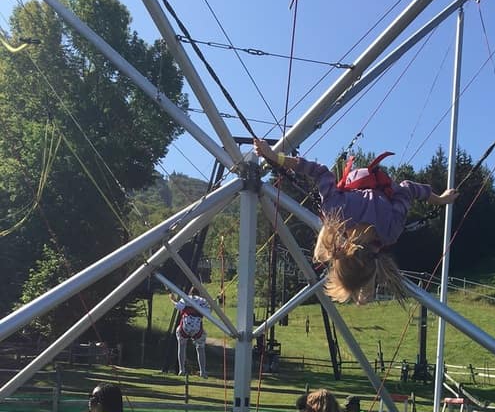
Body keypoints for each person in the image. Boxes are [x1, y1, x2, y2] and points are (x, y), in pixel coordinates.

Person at [253, 138, 458, 304]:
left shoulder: (390, 231)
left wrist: (440, 199)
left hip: (370, 189)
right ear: (339, 259)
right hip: (356, 185)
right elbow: (320, 171)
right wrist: (275, 157)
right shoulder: (336, 212)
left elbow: (407, 189)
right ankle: (363, 295)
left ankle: (364, 293)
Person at [169, 288, 209, 377]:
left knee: (182, 346)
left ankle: (181, 369)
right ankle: (203, 371)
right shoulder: (203, 301)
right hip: (197, 328)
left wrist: (173, 300)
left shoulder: (185, 298)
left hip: (184, 327)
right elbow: (208, 313)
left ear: (190, 292)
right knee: (200, 349)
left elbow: (178, 306)